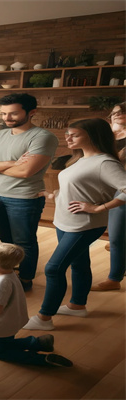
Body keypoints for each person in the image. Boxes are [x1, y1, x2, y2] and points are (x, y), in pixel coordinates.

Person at [23, 118, 126, 331]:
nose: (68, 137)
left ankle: (44, 318)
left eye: (74, 134)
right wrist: (54, 195)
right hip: (65, 221)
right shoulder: (80, 158)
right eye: (68, 133)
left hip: (83, 225)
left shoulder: (104, 162)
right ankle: (77, 305)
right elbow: (81, 186)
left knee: (53, 268)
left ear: (93, 136)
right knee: (79, 264)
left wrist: (99, 208)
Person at [0, 93, 58, 291]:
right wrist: (12, 162)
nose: (7, 118)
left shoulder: (43, 137)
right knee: (4, 240)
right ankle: (8, 276)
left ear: (32, 113)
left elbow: (26, 171)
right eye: (3, 114)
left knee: (24, 242)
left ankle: (26, 280)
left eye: (13, 114)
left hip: (24, 198)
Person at [0, 242, 73, 367]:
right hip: (10, 321)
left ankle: (41, 359)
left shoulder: (1, 283)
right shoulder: (8, 273)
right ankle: (38, 343)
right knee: (5, 342)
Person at [91, 102, 126, 291]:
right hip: (109, 188)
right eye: (114, 113)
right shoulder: (107, 137)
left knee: (117, 236)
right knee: (117, 236)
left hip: (122, 191)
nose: (117, 115)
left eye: (122, 113)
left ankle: (114, 278)